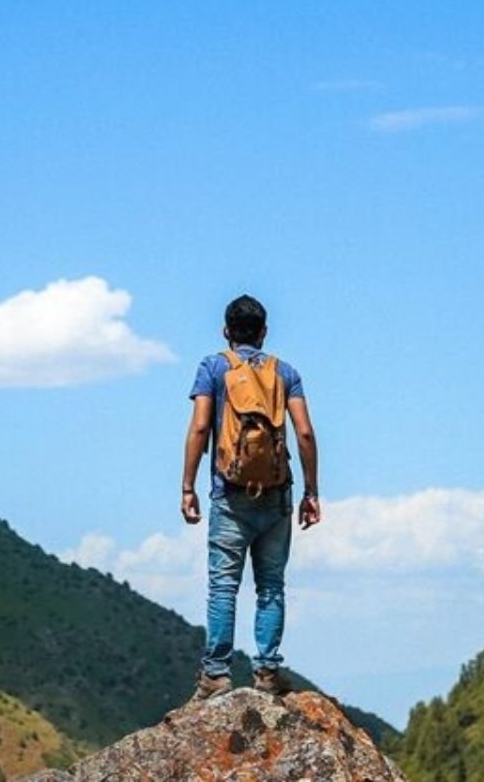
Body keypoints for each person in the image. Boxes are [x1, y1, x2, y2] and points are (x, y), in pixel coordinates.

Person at [180, 294, 321, 700]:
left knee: (223, 585)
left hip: (230, 492)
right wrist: (311, 491)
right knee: (271, 585)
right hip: (277, 493)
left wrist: (188, 487)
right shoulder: (286, 373)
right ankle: (267, 672)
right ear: (263, 332)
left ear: (226, 331)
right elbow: (306, 433)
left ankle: (216, 676)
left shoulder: (213, 367)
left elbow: (201, 427)